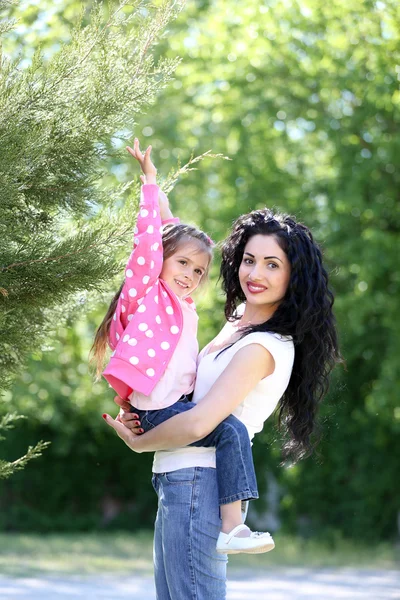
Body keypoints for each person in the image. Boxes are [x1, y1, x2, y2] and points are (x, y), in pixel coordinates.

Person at [103, 202, 340, 600]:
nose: (255, 273)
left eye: (272, 264)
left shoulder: (264, 345)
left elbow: (200, 423)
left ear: (293, 276)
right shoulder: (235, 326)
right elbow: (177, 249)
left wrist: (140, 441)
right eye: (249, 260)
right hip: (176, 477)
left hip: (200, 482)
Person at [93, 139, 274, 554]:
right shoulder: (146, 295)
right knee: (231, 430)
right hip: (158, 408)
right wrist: (150, 183)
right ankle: (233, 527)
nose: (190, 275)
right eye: (182, 264)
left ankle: (233, 526)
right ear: (159, 260)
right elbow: (153, 239)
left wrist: (164, 202)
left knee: (229, 429)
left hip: (166, 405)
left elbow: (171, 230)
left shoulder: (180, 303)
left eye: (199, 270)